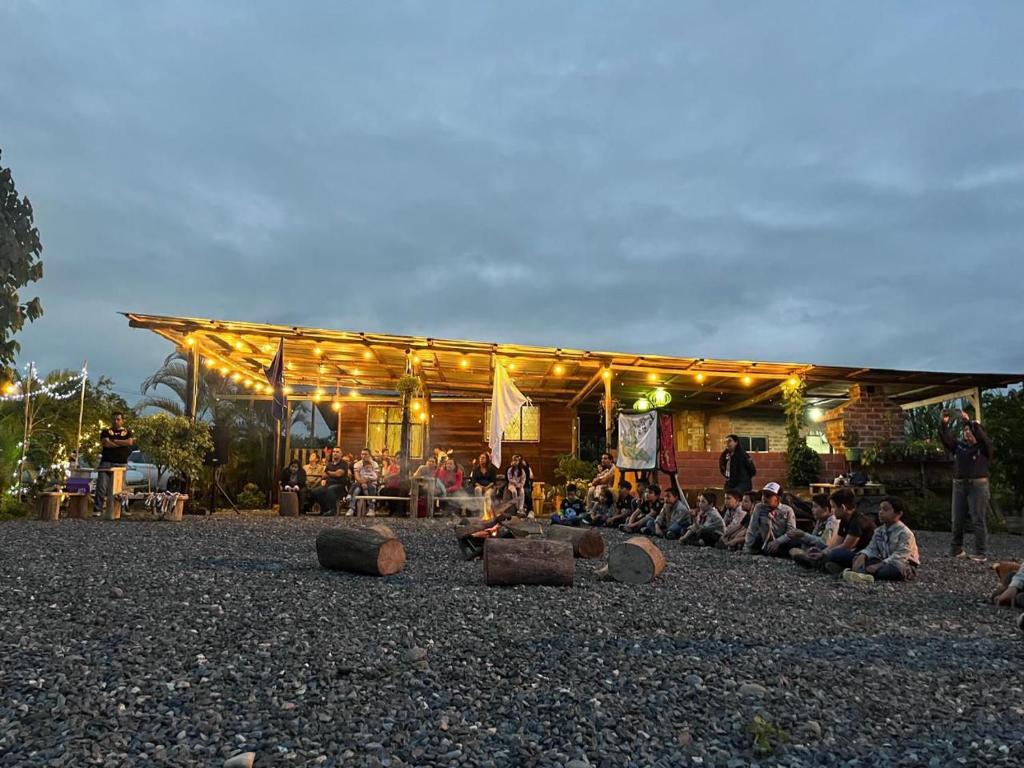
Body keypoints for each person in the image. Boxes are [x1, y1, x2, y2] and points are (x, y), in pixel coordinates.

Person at [939, 409, 993, 561]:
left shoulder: (983, 448)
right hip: (959, 485)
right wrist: (944, 423)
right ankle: (956, 548)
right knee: (957, 518)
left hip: (977, 485)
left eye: (970, 431)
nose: (967, 433)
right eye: (965, 430)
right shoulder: (960, 447)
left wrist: (970, 422)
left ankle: (981, 552)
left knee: (978, 519)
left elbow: (985, 440)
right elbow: (946, 439)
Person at [840, 497, 921, 584]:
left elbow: (900, 555)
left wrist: (878, 566)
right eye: (880, 509)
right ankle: (862, 574)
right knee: (858, 559)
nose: (880, 512)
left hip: (901, 563)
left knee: (893, 569)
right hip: (883, 560)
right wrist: (863, 555)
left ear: (899, 514)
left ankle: (860, 574)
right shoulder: (879, 531)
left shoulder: (905, 533)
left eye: (885, 509)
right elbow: (872, 548)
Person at [823, 487, 878, 575]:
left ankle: (845, 570)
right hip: (853, 553)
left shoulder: (857, 521)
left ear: (843, 507)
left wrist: (825, 554)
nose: (832, 511)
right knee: (825, 551)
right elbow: (837, 543)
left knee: (834, 554)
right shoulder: (844, 520)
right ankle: (838, 568)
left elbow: (847, 546)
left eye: (833, 507)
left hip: (865, 556)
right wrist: (823, 551)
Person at [93, 411, 135, 516]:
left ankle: (119, 510)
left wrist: (114, 441)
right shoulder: (106, 431)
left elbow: (129, 442)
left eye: (118, 419)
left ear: (122, 420)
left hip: (121, 464)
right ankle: (98, 509)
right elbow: (106, 443)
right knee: (101, 487)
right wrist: (121, 443)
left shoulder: (127, 432)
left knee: (120, 489)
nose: (116, 421)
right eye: (114, 419)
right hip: (106, 463)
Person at [744, 482, 797, 555]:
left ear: (778, 498)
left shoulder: (787, 510)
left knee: (793, 544)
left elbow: (791, 532)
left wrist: (778, 541)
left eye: (768, 496)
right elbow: (752, 528)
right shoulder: (759, 508)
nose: (764, 498)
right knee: (757, 542)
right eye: (763, 495)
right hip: (765, 540)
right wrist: (747, 547)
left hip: (781, 540)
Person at [788, 494, 841, 567]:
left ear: (826, 509)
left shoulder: (832, 522)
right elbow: (814, 537)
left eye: (815, 507)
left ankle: (814, 562)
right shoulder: (820, 520)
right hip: (816, 549)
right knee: (793, 548)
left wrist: (804, 535)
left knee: (797, 551)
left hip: (826, 550)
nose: (812, 509)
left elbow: (825, 543)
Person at [310, 447, 349, 516]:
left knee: (330, 489)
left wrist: (329, 473)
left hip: (340, 486)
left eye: (337, 452)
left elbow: (338, 474)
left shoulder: (344, 464)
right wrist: (331, 473)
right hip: (328, 484)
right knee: (314, 491)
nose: (335, 453)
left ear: (341, 454)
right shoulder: (329, 464)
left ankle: (333, 510)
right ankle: (324, 509)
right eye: (334, 452)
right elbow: (324, 476)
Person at [348, 448, 380, 516]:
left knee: (368, 490)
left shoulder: (375, 464)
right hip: (359, 484)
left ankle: (371, 509)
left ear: (369, 455)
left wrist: (366, 482)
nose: (363, 456)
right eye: (362, 454)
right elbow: (356, 476)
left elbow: (376, 477)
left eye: (365, 454)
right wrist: (363, 483)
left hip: (371, 484)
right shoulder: (357, 464)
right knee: (357, 490)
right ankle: (351, 508)